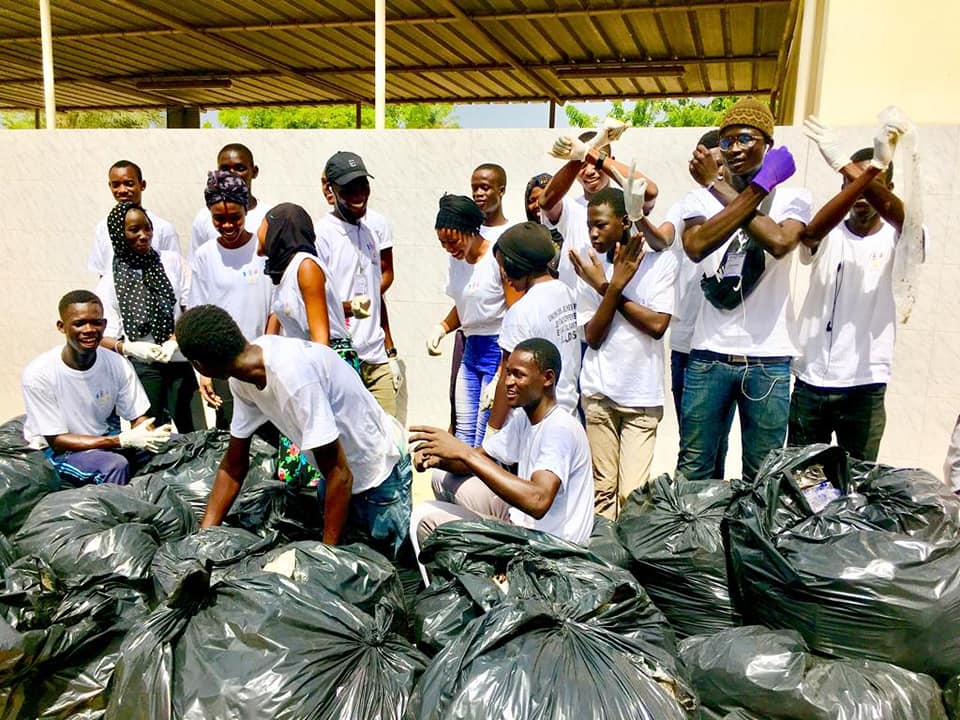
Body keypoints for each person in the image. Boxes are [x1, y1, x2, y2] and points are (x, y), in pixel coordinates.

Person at [174, 304, 412, 558]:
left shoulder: (293, 377)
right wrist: (201, 544)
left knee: (392, 572)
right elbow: (233, 466)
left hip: (379, 474)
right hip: (335, 476)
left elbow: (341, 475)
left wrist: (324, 559)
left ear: (201, 366)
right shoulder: (243, 379)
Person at [677, 98, 812, 482]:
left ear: (767, 142)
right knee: (696, 468)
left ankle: (752, 543)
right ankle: (698, 542)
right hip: (708, 355)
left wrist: (730, 187)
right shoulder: (699, 197)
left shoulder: (794, 197)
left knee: (764, 474)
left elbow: (781, 242)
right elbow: (697, 244)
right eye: (726, 140)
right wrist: (743, 187)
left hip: (768, 359)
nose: (734, 148)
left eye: (745, 139)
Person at [789, 119, 909, 461]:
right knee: (804, 481)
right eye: (849, 186)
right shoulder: (829, 231)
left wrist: (852, 167)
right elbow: (810, 235)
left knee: (858, 484)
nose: (859, 195)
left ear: (889, 188)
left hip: (865, 385)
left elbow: (908, 223)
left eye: (870, 187)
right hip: (812, 380)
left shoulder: (899, 237)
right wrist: (865, 173)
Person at [410, 337, 593, 551]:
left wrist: (464, 453)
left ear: (547, 378)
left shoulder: (559, 430)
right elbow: (479, 459)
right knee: (442, 477)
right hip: (522, 522)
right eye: (508, 372)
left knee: (430, 524)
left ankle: (486, 576)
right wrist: (438, 458)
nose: (508, 381)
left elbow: (538, 501)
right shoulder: (525, 419)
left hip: (548, 546)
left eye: (519, 375)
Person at [570, 188, 677, 518]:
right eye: (589, 225)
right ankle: (603, 567)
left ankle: (629, 566)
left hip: (640, 398)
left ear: (624, 221)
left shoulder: (661, 263)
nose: (593, 233)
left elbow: (657, 325)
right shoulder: (590, 263)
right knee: (602, 492)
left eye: (601, 224)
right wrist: (612, 285)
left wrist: (606, 288)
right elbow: (594, 336)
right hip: (599, 394)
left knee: (633, 497)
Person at [21, 290, 172, 486]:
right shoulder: (39, 374)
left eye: (96, 322)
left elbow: (138, 417)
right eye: (79, 323)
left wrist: (150, 434)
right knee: (114, 465)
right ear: (61, 327)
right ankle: (118, 514)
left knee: (171, 446)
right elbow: (56, 440)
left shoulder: (117, 364)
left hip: (105, 440)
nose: (89, 329)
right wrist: (120, 441)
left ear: (104, 324)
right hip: (58, 451)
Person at [258, 202, 360, 487]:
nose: (258, 231)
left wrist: (313, 386)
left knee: (322, 453)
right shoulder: (284, 271)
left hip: (323, 364)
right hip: (302, 364)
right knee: (298, 455)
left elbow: (321, 340)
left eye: (263, 223)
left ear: (279, 228)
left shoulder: (306, 267)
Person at [425, 195, 519, 447]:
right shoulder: (455, 262)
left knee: (484, 435)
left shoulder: (496, 257)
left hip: (497, 349)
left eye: (453, 241)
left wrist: (503, 370)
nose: (449, 248)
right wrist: (443, 327)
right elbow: (465, 301)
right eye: (443, 243)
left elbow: (515, 312)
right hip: (471, 350)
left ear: (470, 230)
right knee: (463, 433)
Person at [96, 201, 196, 433]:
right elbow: (103, 336)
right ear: (119, 235)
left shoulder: (171, 262)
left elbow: (190, 306)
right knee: (154, 432)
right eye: (134, 230)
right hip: (143, 366)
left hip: (178, 357)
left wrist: (175, 339)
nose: (144, 235)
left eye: (147, 228)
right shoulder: (110, 281)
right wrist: (131, 349)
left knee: (193, 430)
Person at [316, 151, 399, 416]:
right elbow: (314, 299)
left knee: (390, 440)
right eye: (349, 187)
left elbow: (378, 289)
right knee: (351, 447)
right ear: (331, 190)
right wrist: (348, 307)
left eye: (363, 184)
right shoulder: (323, 234)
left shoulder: (370, 232)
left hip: (376, 357)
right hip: (343, 357)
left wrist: (388, 346)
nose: (358, 193)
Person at [188, 171, 272, 429]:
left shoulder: (263, 249)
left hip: (266, 363)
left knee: (272, 436)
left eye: (234, 217)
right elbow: (199, 315)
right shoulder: (205, 255)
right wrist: (203, 371)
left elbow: (276, 307)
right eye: (219, 219)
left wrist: (267, 353)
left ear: (246, 211)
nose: (227, 225)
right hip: (226, 367)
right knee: (234, 436)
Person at [540, 122, 660, 288]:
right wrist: (589, 149)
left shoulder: (628, 201)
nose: (589, 171)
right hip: (577, 308)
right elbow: (545, 202)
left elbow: (651, 191)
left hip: (623, 302)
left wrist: (589, 152)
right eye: (581, 165)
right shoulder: (570, 207)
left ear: (610, 162)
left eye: (596, 164)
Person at [487, 222, 581, 427]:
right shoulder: (566, 293)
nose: (503, 274)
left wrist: (492, 432)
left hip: (532, 422)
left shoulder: (521, 312)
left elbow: (507, 376)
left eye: (504, 266)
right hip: (567, 413)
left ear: (517, 264)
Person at [88, 160, 180, 275]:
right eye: (116, 185)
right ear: (110, 186)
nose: (122, 190)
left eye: (129, 184)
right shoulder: (102, 228)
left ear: (142, 185)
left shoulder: (163, 229)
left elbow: (174, 271)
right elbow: (102, 273)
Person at [189, 143, 267, 264]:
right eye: (224, 169)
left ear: (254, 171)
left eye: (240, 168)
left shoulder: (268, 216)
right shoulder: (204, 216)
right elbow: (195, 264)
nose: (232, 174)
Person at [471, 163, 510, 241]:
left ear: (501, 191)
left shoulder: (513, 232)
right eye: (474, 188)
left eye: (485, 188)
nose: (478, 193)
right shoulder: (468, 233)